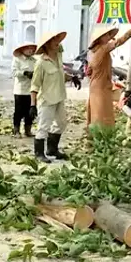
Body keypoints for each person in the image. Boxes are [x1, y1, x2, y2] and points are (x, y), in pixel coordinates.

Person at [30, 31, 82, 163]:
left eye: (57, 40)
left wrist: (72, 78)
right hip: (47, 100)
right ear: (47, 45)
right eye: (53, 40)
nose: (57, 43)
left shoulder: (58, 56)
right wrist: (32, 105)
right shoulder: (40, 63)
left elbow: (60, 75)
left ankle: (52, 149)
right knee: (43, 126)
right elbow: (35, 85)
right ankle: (39, 153)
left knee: (61, 123)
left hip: (59, 97)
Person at [86, 25, 131, 130]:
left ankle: (97, 136)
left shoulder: (96, 52)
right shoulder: (103, 49)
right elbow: (119, 41)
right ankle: (100, 137)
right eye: (106, 35)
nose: (108, 37)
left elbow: (89, 71)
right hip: (100, 87)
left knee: (100, 112)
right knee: (100, 115)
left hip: (98, 86)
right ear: (100, 39)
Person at [11, 42, 38, 137]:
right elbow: (14, 72)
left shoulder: (34, 61)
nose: (30, 50)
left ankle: (28, 130)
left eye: (32, 48)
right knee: (18, 111)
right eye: (28, 48)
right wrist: (25, 73)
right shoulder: (17, 60)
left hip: (31, 90)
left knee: (30, 111)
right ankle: (16, 130)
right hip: (20, 90)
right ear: (22, 49)